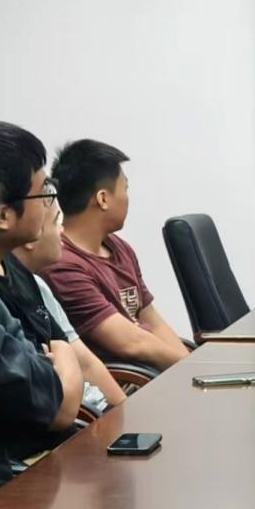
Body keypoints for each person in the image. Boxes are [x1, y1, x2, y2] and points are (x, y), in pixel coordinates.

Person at [0, 123, 83, 494]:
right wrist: (62, 358)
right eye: (43, 193)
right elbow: (60, 405)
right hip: (14, 480)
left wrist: (58, 362)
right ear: (2, 216)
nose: (50, 206)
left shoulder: (14, 271)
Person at [46, 140, 190, 370]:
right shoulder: (63, 265)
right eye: (125, 189)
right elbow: (132, 344)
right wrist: (191, 372)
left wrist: (194, 368)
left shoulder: (119, 247)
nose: (127, 198)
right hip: (128, 381)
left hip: (152, 373)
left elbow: (153, 322)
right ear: (103, 198)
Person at [10, 202, 126, 412]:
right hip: (78, 417)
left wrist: (126, 412)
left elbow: (86, 363)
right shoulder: (2, 295)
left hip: (95, 409)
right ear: (31, 238)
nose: (63, 231)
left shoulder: (37, 284)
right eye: (57, 222)